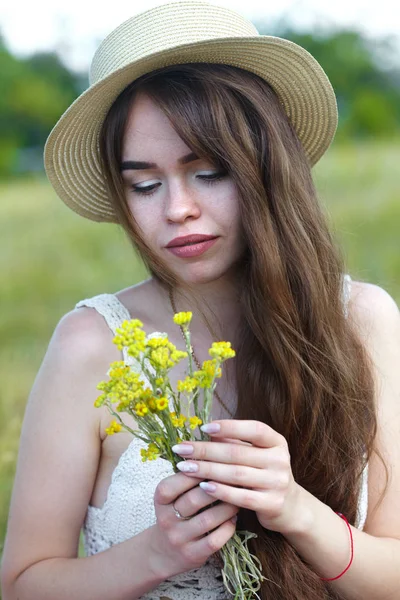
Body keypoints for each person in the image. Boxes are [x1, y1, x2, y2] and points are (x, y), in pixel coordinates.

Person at [1, 1, 400, 599]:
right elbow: (22, 585)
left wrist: (296, 510)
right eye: (144, 184)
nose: (176, 208)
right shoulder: (92, 343)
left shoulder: (361, 321)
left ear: (266, 165)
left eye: (209, 171)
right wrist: (155, 553)